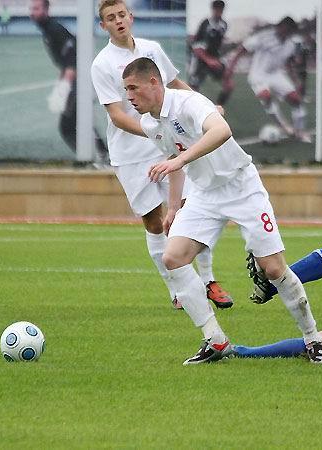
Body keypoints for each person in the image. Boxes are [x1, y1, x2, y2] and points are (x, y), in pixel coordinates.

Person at [122, 57, 322, 364]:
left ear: (154, 83)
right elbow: (174, 159)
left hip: (241, 186)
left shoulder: (188, 103)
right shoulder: (150, 123)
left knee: (273, 269)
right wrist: (174, 207)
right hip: (204, 194)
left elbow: (221, 130)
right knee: (173, 258)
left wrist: (179, 161)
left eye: (133, 88)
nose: (129, 96)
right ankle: (215, 340)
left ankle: (313, 339)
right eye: (126, 89)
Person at [90, 0, 232, 311]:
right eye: (111, 18)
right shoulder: (102, 64)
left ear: (131, 17)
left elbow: (176, 84)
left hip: (171, 145)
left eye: (122, 15)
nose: (118, 21)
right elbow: (117, 116)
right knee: (155, 223)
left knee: (192, 209)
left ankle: (209, 281)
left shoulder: (152, 49)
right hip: (131, 153)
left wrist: (206, 108)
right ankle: (177, 290)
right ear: (103, 26)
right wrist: (155, 132)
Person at [29, 0, 107, 161]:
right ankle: (102, 157)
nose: (32, 12)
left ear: (46, 9)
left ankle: (94, 158)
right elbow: (66, 64)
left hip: (82, 81)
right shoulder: (49, 29)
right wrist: (61, 83)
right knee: (81, 121)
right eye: (32, 9)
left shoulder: (54, 29)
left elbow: (72, 61)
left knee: (67, 127)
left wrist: (63, 90)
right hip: (81, 80)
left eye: (36, 8)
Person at [224, 17, 312, 143]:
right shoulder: (264, 36)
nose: (283, 31)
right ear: (280, 26)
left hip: (276, 74)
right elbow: (242, 49)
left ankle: (300, 132)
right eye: (282, 27)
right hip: (258, 74)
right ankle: (284, 126)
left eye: (288, 30)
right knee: (266, 96)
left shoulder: (290, 44)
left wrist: (296, 81)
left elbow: (288, 63)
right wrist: (230, 68)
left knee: (296, 99)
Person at [187, 0, 233, 106]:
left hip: (214, 58)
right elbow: (196, 46)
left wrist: (221, 61)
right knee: (192, 88)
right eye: (217, 9)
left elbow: (220, 45)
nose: (218, 12)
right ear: (213, 9)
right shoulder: (205, 24)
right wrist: (208, 60)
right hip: (200, 59)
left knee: (229, 84)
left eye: (221, 10)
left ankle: (219, 108)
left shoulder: (224, 25)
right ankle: (191, 109)